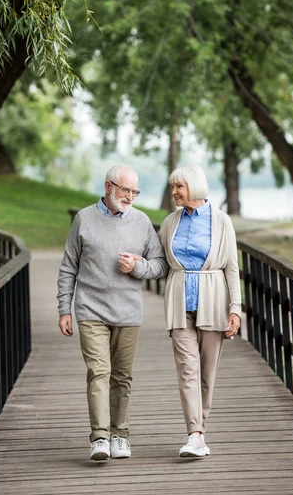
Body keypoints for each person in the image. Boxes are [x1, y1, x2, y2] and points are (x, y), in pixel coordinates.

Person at [57, 164, 167, 462]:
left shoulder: (142, 222)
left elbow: (160, 265)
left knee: (122, 376)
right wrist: (63, 309)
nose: (130, 196)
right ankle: (100, 438)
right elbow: (68, 268)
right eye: (125, 190)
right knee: (99, 372)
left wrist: (138, 267)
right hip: (90, 309)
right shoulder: (84, 219)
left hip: (128, 312)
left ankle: (120, 436)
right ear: (108, 187)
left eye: (135, 191)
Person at [159, 162, 241, 458]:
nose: (174, 193)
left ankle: (200, 433)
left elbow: (232, 267)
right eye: (172, 187)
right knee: (187, 370)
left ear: (193, 186)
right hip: (179, 302)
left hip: (214, 301)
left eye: (178, 187)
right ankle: (194, 434)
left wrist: (236, 309)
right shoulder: (170, 222)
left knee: (207, 372)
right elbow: (160, 262)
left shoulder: (221, 221)